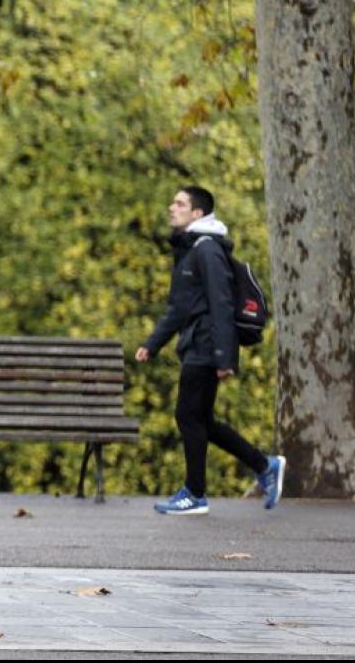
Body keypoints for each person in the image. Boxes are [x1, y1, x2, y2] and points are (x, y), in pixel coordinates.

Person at [136, 186, 286, 515]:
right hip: (197, 341)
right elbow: (178, 308)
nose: (171, 207)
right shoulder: (190, 251)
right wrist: (152, 343)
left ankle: (195, 493)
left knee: (187, 416)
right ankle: (264, 464)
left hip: (206, 344)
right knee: (201, 419)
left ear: (197, 213)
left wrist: (225, 357)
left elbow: (222, 303)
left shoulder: (207, 250)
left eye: (179, 203)